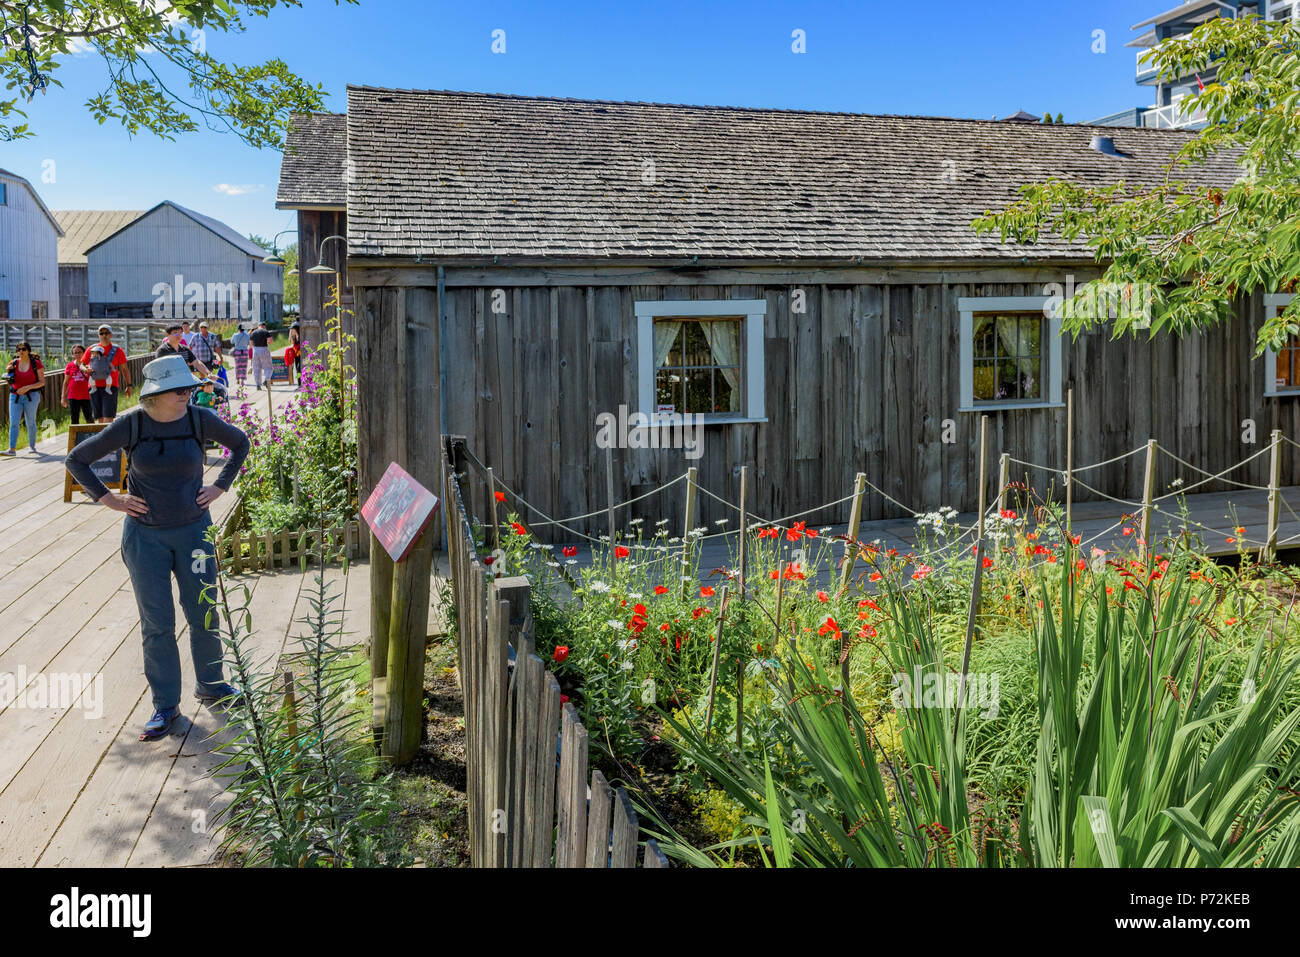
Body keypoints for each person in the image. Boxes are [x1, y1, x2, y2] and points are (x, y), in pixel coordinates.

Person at [65, 355, 251, 741]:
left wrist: (219, 487)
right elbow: (77, 459)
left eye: (189, 388)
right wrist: (111, 500)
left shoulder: (199, 418)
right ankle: (166, 705)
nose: (188, 394)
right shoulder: (131, 424)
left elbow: (240, 443)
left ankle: (212, 684)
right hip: (145, 538)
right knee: (157, 624)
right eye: (179, 389)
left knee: (204, 612)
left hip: (194, 534)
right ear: (157, 395)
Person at [79, 325, 132, 423]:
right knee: (100, 418)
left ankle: (108, 437)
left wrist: (129, 385)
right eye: (101, 333)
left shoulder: (117, 350)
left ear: (111, 335)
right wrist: (85, 369)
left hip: (110, 386)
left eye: (106, 333)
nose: (104, 336)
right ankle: (103, 437)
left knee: (108, 417)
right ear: (98, 335)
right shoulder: (91, 349)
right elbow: (81, 365)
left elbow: (124, 369)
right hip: (94, 387)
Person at [4, 342, 44, 455]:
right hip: (15, 396)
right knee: (14, 422)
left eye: (24, 349)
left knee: (30, 422)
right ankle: (12, 449)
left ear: (28, 351)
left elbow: (42, 382)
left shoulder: (36, 364)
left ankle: (32, 447)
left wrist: (27, 387)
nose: (21, 351)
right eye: (18, 349)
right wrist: (8, 372)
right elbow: (9, 379)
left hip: (31, 396)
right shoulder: (13, 363)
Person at [62, 345, 93, 425]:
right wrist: (63, 398)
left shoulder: (89, 365)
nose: (77, 354)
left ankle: (92, 436)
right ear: (73, 355)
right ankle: (75, 437)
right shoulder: (70, 366)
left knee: (89, 419)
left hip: (87, 396)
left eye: (79, 352)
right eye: (75, 353)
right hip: (73, 397)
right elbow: (66, 382)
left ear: (84, 353)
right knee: (74, 420)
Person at [249, 320, 272, 390]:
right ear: (264, 326)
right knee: (268, 366)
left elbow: (251, 343)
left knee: (256, 368)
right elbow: (270, 341)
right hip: (264, 349)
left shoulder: (253, 332)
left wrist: (255, 348)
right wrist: (267, 343)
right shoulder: (265, 332)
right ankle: (266, 379)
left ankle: (258, 384)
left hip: (255, 350)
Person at [230, 323, 251, 388]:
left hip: (237, 351)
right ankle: (242, 380)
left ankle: (237, 379)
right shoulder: (247, 335)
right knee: (244, 366)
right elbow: (248, 343)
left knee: (237, 366)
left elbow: (232, 342)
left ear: (238, 329)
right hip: (244, 351)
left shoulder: (235, 335)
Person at [288, 321, 303, 387]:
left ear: (296, 328)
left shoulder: (300, 336)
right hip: (296, 356)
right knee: (297, 369)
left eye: (292, 329)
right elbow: (290, 341)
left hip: (301, 355)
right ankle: (299, 384)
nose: (291, 330)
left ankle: (301, 384)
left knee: (299, 368)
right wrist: (290, 333)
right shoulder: (295, 337)